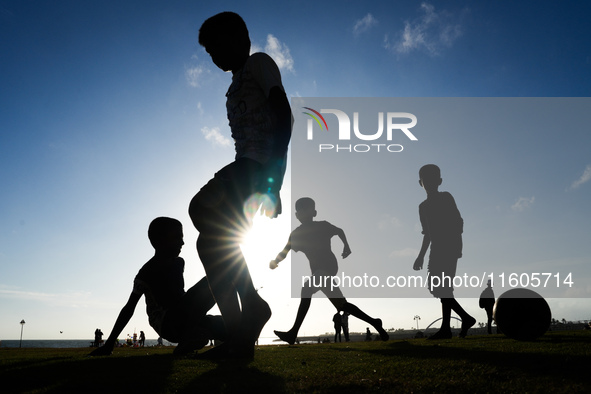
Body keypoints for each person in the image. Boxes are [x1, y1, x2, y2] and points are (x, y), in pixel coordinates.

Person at [189, 11, 292, 359]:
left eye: (217, 46)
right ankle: (238, 338)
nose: (214, 57)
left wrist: (273, 181)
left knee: (199, 208)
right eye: (209, 53)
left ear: (242, 38)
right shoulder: (232, 88)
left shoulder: (259, 64)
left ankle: (251, 305)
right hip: (243, 165)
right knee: (209, 244)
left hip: (257, 167)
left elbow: (283, 117)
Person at [90, 217, 225, 357]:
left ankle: (193, 340)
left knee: (228, 325)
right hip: (169, 324)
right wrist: (109, 343)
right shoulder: (147, 272)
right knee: (218, 276)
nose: (182, 242)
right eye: (177, 237)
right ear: (160, 241)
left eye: (182, 237)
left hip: (187, 318)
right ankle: (193, 337)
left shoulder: (179, 263)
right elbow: (129, 308)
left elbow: (182, 298)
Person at [270, 197, 389, 345]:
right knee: (342, 305)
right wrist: (275, 261)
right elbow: (285, 250)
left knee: (306, 289)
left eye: (304, 209)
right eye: (298, 211)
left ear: (314, 212)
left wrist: (346, 246)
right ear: (296, 215)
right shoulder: (296, 234)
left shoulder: (322, 226)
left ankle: (293, 333)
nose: (300, 213)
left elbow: (339, 231)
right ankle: (375, 322)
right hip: (318, 273)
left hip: (328, 267)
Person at [413, 164, 476, 339]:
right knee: (439, 288)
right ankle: (461, 320)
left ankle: (449, 326)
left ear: (439, 181)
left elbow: (458, 222)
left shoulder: (446, 198)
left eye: (433, 179)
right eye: (426, 180)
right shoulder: (422, 207)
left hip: (449, 247)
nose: (430, 183)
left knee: (444, 288)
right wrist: (420, 256)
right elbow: (427, 234)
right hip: (435, 250)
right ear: (421, 183)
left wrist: (458, 246)